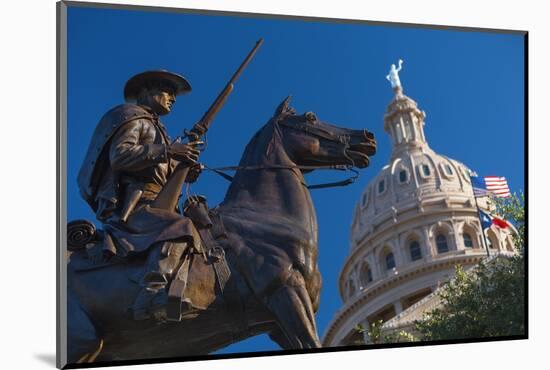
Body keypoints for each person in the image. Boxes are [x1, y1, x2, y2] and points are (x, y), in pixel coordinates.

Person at [77, 70, 203, 320]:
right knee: (181, 227)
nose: (173, 98)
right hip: (135, 207)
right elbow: (120, 156)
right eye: (168, 90)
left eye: (174, 94)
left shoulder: (159, 130)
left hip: (156, 203)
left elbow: (159, 174)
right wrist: (169, 151)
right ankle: (152, 293)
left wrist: (184, 170)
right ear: (145, 91)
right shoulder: (135, 119)